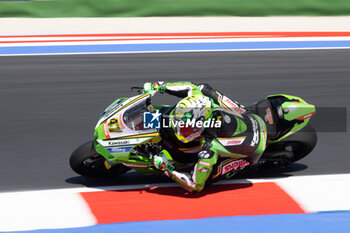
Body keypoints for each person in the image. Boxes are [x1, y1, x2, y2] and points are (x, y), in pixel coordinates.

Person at [143, 81, 267, 192]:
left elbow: (194, 185)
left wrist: (166, 168)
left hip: (252, 150)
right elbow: (190, 87)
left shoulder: (208, 148)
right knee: (204, 88)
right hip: (249, 118)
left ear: (201, 126)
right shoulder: (201, 99)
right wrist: (160, 86)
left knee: (205, 177)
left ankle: (229, 166)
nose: (180, 130)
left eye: (186, 128)